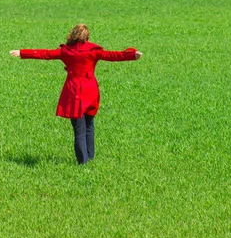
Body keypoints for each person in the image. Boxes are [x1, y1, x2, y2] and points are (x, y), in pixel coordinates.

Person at [9, 24, 142, 164]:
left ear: (72, 35)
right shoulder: (93, 50)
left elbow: (45, 54)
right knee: (89, 125)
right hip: (91, 91)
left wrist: (22, 52)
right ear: (87, 37)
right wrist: (132, 54)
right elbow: (113, 55)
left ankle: (83, 163)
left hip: (74, 92)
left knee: (79, 130)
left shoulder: (66, 51)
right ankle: (90, 158)